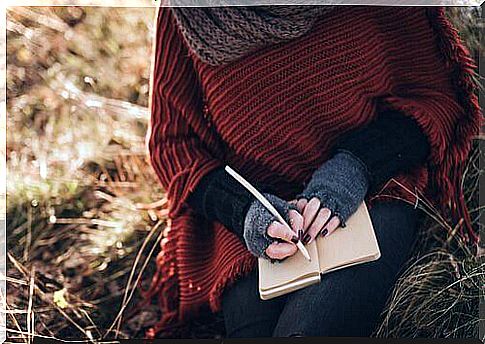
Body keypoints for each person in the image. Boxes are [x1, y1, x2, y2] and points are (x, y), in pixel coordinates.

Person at [144, 5, 481, 338]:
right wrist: (243, 209)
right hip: (251, 227)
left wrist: (354, 168)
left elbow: (434, 97)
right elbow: (171, 143)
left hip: (372, 192)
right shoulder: (189, 13)